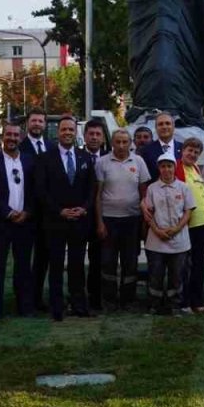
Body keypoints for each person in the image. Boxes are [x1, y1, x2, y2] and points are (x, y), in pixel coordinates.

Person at [35, 115, 98, 321]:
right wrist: (59, 211)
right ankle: (57, 307)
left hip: (79, 221)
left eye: (71, 129)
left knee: (77, 265)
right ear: (57, 132)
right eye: (64, 130)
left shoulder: (85, 158)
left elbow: (91, 189)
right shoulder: (45, 158)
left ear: (75, 132)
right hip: (55, 221)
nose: (68, 133)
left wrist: (84, 208)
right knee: (55, 264)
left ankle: (79, 304)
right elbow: (41, 190)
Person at [0, 121, 38, 318]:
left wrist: (27, 212)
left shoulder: (30, 161)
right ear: (1, 137)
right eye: (8, 135)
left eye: (16, 135)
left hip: (24, 223)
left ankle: (24, 306)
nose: (12, 138)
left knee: (23, 268)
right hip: (0, 223)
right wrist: (7, 212)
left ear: (21, 138)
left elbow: (35, 191)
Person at [95, 128, 149, 310]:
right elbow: (98, 195)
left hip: (132, 220)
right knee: (108, 261)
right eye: (117, 142)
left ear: (130, 143)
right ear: (112, 143)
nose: (121, 145)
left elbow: (144, 192)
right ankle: (109, 299)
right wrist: (100, 222)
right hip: (109, 220)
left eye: (125, 142)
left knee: (130, 262)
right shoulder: (102, 162)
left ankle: (129, 299)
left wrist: (144, 220)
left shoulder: (139, 162)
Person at [142, 153, 196, 315]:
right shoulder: (152, 188)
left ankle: (175, 305)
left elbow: (188, 211)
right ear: (159, 169)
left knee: (177, 276)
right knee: (155, 275)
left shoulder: (183, 187)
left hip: (179, 241)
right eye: (163, 166)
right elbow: (148, 214)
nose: (167, 170)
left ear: (174, 168)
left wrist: (177, 229)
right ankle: (154, 305)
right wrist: (157, 230)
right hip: (156, 241)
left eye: (169, 166)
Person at [19, 110, 56, 312]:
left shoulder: (52, 147)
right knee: (25, 261)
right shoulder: (20, 147)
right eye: (33, 121)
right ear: (27, 124)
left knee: (43, 259)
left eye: (40, 121)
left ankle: (39, 298)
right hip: (26, 214)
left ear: (45, 124)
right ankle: (25, 300)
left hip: (47, 215)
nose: (37, 124)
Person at [176, 137, 204, 313]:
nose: (193, 154)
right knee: (184, 266)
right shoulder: (176, 168)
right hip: (186, 225)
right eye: (190, 150)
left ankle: (197, 301)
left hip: (202, 223)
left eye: (196, 152)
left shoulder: (196, 169)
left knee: (198, 265)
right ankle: (184, 302)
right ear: (183, 150)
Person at [81, 119, 109, 310]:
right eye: (91, 133)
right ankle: (78, 296)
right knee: (77, 259)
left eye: (98, 134)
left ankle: (96, 298)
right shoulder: (76, 156)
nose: (94, 137)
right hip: (80, 217)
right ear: (84, 136)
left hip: (102, 218)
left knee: (98, 259)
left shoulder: (110, 158)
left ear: (103, 137)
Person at [140, 111, 182, 182]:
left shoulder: (183, 148)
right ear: (156, 128)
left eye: (167, 123)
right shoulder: (146, 151)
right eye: (160, 124)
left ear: (173, 126)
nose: (164, 127)